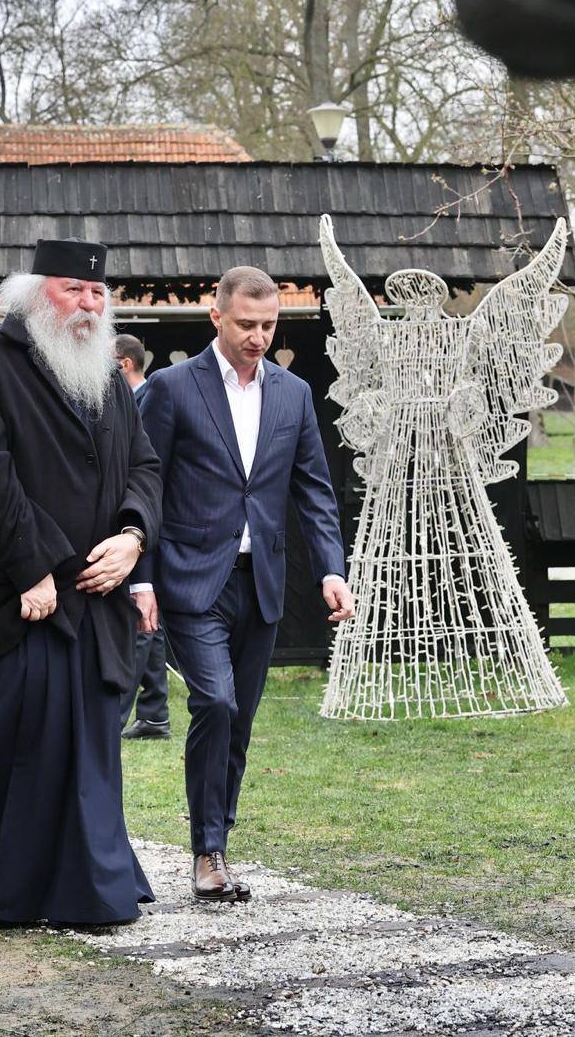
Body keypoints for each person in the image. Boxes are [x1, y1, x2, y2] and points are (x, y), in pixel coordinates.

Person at [0, 238, 163, 927]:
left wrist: (132, 538)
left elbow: (144, 466)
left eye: (97, 292)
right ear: (34, 294)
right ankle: (1, 890)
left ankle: (89, 884)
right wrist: (35, 568)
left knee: (88, 748)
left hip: (98, 596)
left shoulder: (106, 375)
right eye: (73, 289)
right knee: (15, 747)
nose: (88, 303)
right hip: (24, 599)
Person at [131, 266, 353, 902]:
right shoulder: (172, 388)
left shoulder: (294, 394)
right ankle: (206, 852)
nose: (258, 337)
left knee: (240, 720)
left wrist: (332, 569)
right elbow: (142, 485)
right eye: (246, 325)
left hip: (262, 583)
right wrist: (141, 579)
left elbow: (314, 489)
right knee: (216, 704)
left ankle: (218, 841)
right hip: (190, 580)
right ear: (217, 318)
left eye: (269, 325)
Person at [113, 333, 172, 741]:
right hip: (138, 524)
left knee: (139, 617)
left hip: (148, 524)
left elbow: (148, 470)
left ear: (124, 364)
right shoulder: (131, 401)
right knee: (149, 619)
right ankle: (154, 714)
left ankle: (113, 716)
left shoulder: (149, 401)